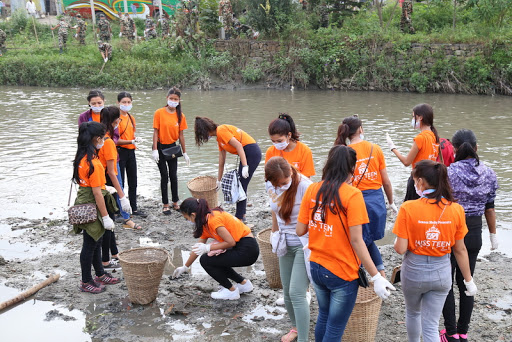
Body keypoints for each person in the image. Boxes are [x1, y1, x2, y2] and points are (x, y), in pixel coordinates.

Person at [296, 145, 395, 341]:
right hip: (341, 271)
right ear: (352, 169)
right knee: (335, 328)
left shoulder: (312, 189)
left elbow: (300, 230)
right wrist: (376, 277)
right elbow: (358, 241)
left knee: (323, 317)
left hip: (316, 266)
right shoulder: (353, 195)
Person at [393, 159, 478, 342]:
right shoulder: (456, 209)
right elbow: (460, 249)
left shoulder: (408, 208)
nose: (415, 184)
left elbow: (400, 249)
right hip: (441, 272)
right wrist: (469, 280)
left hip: (414, 271)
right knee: (431, 324)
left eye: (415, 180)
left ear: (421, 182)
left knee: (413, 313)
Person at [440, 129, 498, 342]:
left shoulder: (448, 172)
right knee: (467, 280)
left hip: (450, 232)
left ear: (454, 149)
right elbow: (490, 208)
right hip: (474, 233)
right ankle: (463, 332)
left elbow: (440, 204)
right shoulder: (489, 173)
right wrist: (493, 234)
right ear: (476, 148)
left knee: (446, 282)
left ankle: (450, 332)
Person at [172, 198, 260, 300]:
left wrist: (208, 247)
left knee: (206, 260)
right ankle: (244, 284)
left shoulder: (213, 220)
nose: (188, 221)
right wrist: (185, 267)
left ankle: (231, 291)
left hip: (247, 250)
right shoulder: (206, 221)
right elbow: (197, 248)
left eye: (187, 218)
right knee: (214, 258)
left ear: (193, 215)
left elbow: (230, 242)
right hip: (242, 247)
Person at [265, 157, 312, 342]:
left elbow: (316, 218)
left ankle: (304, 339)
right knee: (286, 291)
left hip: (303, 243)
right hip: (284, 243)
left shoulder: (305, 186)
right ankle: (295, 328)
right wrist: (274, 234)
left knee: (296, 292)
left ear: (291, 173)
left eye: (285, 182)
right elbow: (274, 211)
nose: (283, 186)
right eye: (278, 184)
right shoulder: (270, 185)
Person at [72, 121, 121, 293]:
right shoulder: (93, 162)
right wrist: (106, 217)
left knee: (97, 239)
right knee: (90, 243)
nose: (104, 141)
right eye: (102, 138)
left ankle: (100, 273)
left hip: (84, 198)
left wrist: (103, 186)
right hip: (92, 202)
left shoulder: (82, 156)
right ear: (97, 138)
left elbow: (87, 183)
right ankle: (86, 281)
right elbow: (97, 194)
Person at [194, 117, 261, 222]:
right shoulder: (219, 139)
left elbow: (239, 145)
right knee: (241, 184)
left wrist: (245, 166)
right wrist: (219, 180)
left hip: (251, 152)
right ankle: (241, 215)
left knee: (241, 185)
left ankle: (240, 217)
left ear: (205, 130)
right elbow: (222, 161)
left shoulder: (221, 130)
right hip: (246, 154)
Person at [98, 107, 138, 266]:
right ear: (114, 121)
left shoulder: (100, 137)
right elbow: (112, 173)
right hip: (107, 185)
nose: (120, 121)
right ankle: (106, 261)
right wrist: (122, 196)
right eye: (119, 119)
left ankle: (114, 253)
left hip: (103, 182)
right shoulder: (108, 143)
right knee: (109, 221)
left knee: (110, 221)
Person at [386, 103, 440, 201]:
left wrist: (392, 147)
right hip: (430, 181)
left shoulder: (420, 138)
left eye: (413, 117)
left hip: (417, 180)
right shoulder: (434, 136)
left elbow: (406, 162)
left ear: (420, 118)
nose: (412, 120)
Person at [152, 87, 190, 214]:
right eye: (171, 98)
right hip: (161, 146)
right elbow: (156, 132)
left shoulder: (180, 116)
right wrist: (155, 149)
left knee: (173, 175)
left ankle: (175, 201)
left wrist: (184, 152)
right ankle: (165, 203)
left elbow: (181, 135)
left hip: (173, 147)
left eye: (176, 99)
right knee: (164, 176)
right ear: (167, 98)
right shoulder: (159, 113)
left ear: (179, 101)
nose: (173, 101)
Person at [116, 92, 145, 217]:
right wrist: (131, 141)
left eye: (128, 102)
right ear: (118, 103)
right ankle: (119, 209)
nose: (126, 104)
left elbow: (131, 134)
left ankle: (134, 207)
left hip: (131, 151)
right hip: (119, 152)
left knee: (133, 180)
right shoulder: (116, 118)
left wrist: (134, 141)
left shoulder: (131, 118)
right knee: (120, 181)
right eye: (124, 102)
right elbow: (115, 139)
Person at [265, 113, 315, 178]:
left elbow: (307, 179)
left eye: (279, 141)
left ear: (289, 135)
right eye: (273, 141)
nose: (276, 144)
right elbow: (268, 176)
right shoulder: (271, 151)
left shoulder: (304, 151)